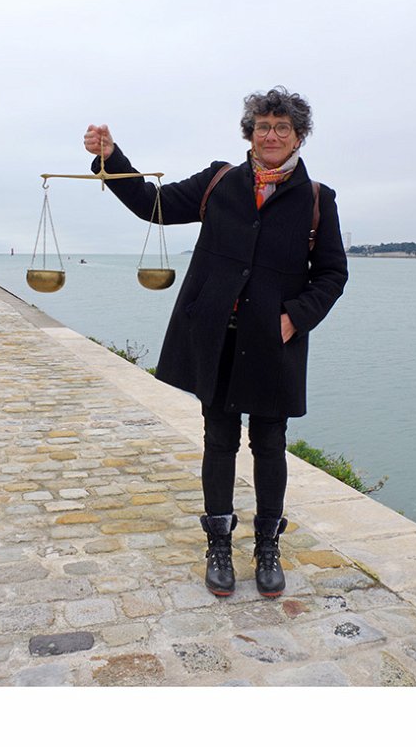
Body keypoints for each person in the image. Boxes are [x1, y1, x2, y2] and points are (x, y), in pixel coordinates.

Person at [83, 87, 348, 598]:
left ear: (298, 136)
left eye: (283, 128)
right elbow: (154, 205)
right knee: (219, 441)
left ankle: (267, 546)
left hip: (274, 343)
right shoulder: (219, 181)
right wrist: (112, 158)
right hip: (217, 339)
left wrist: (294, 318)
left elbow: (333, 274)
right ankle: (219, 545)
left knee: (270, 444)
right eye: (263, 126)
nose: (272, 135)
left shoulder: (317, 199)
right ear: (250, 133)